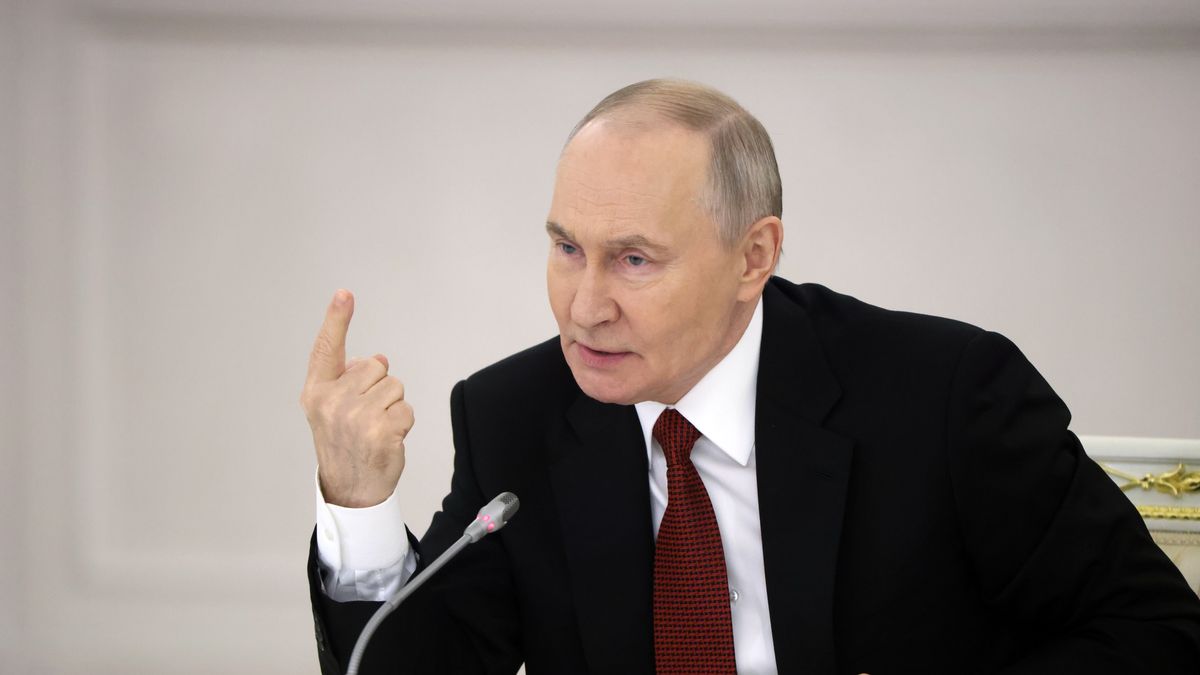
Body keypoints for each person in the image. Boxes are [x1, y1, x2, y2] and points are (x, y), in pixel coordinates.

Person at [301, 79, 1200, 674]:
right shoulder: (514, 416)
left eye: (634, 260)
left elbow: (1156, 633)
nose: (584, 307)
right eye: (567, 248)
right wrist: (360, 505)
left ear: (753, 256)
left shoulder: (944, 397)